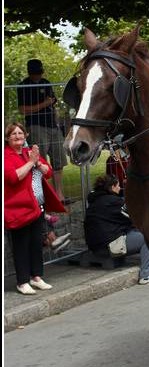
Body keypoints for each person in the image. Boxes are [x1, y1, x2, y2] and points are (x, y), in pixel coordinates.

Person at [4, 122, 66, 295]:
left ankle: (36, 276)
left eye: (20, 133)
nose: (18, 136)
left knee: (35, 244)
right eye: (13, 134)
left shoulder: (29, 152)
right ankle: (22, 281)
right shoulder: (6, 156)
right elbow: (13, 177)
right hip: (18, 208)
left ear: (26, 136)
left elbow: (48, 171)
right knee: (21, 246)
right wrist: (31, 162)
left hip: (36, 207)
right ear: (7, 138)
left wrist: (36, 162)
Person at [84, 175, 149, 285]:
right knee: (148, 237)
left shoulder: (96, 201)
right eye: (118, 186)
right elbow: (135, 216)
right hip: (109, 246)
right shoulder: (113, 202)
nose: (120, 188)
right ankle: (146, 275)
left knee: (138, 232)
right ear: (112, 187)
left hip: (97, 246)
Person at [17, 59, 69, 204]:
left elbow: (53, 102)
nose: (38, 76)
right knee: (41, 163)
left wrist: (56, 119)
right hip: (36, 127)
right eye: (35, 73)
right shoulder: (23, 86)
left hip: (53, 126)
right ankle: (45, 197)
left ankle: (60, 196)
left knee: (59, 161)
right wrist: (44, 104)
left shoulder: (46, 82)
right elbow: (23, 110)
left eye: (39, 73)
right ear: (29, 72)